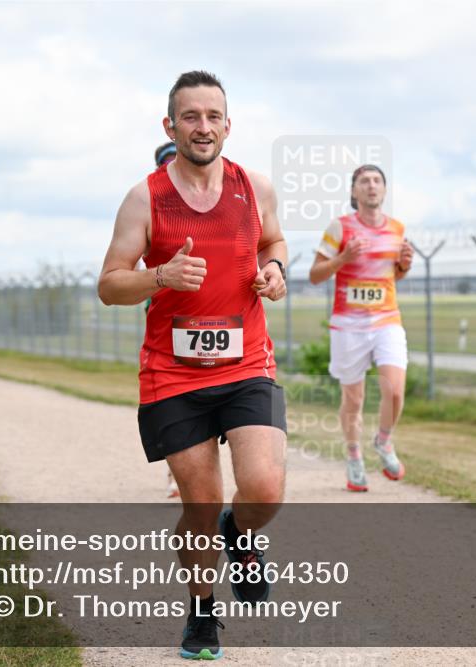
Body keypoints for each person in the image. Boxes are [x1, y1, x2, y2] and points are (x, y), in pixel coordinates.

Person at [99, 71, 288, 660]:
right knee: (199, 506)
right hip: (174, 375)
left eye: (213, 116)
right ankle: (202, 613)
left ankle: (241, 531)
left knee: (265, 488)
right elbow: (110, 284)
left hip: (246, 362)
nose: (202, 127)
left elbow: (274, 242)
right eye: (190, 116)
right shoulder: (144, 198)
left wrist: (276, 270)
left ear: (228, 126)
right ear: (170, 126)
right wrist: (160, 276)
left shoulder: (255, 188)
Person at [309, 165, 414, 492]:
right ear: (354, 191)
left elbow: (392, 276)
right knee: (353, 399)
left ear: (384, 189)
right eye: (364, 181)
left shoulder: (397, 228)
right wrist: (343, 258)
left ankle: (383, 441)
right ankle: (354, 456)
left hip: (386, 320)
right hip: (348, 325)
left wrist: (404, 266)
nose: (371, 185)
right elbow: (315, 275)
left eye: (377, 180)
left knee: (395, 390)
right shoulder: (340, 227)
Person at [153, 141, 183, 499]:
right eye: (167, 163)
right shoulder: (149, 205)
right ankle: (176, 470)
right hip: (166, 320)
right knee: (177, 396)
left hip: (212, 319)